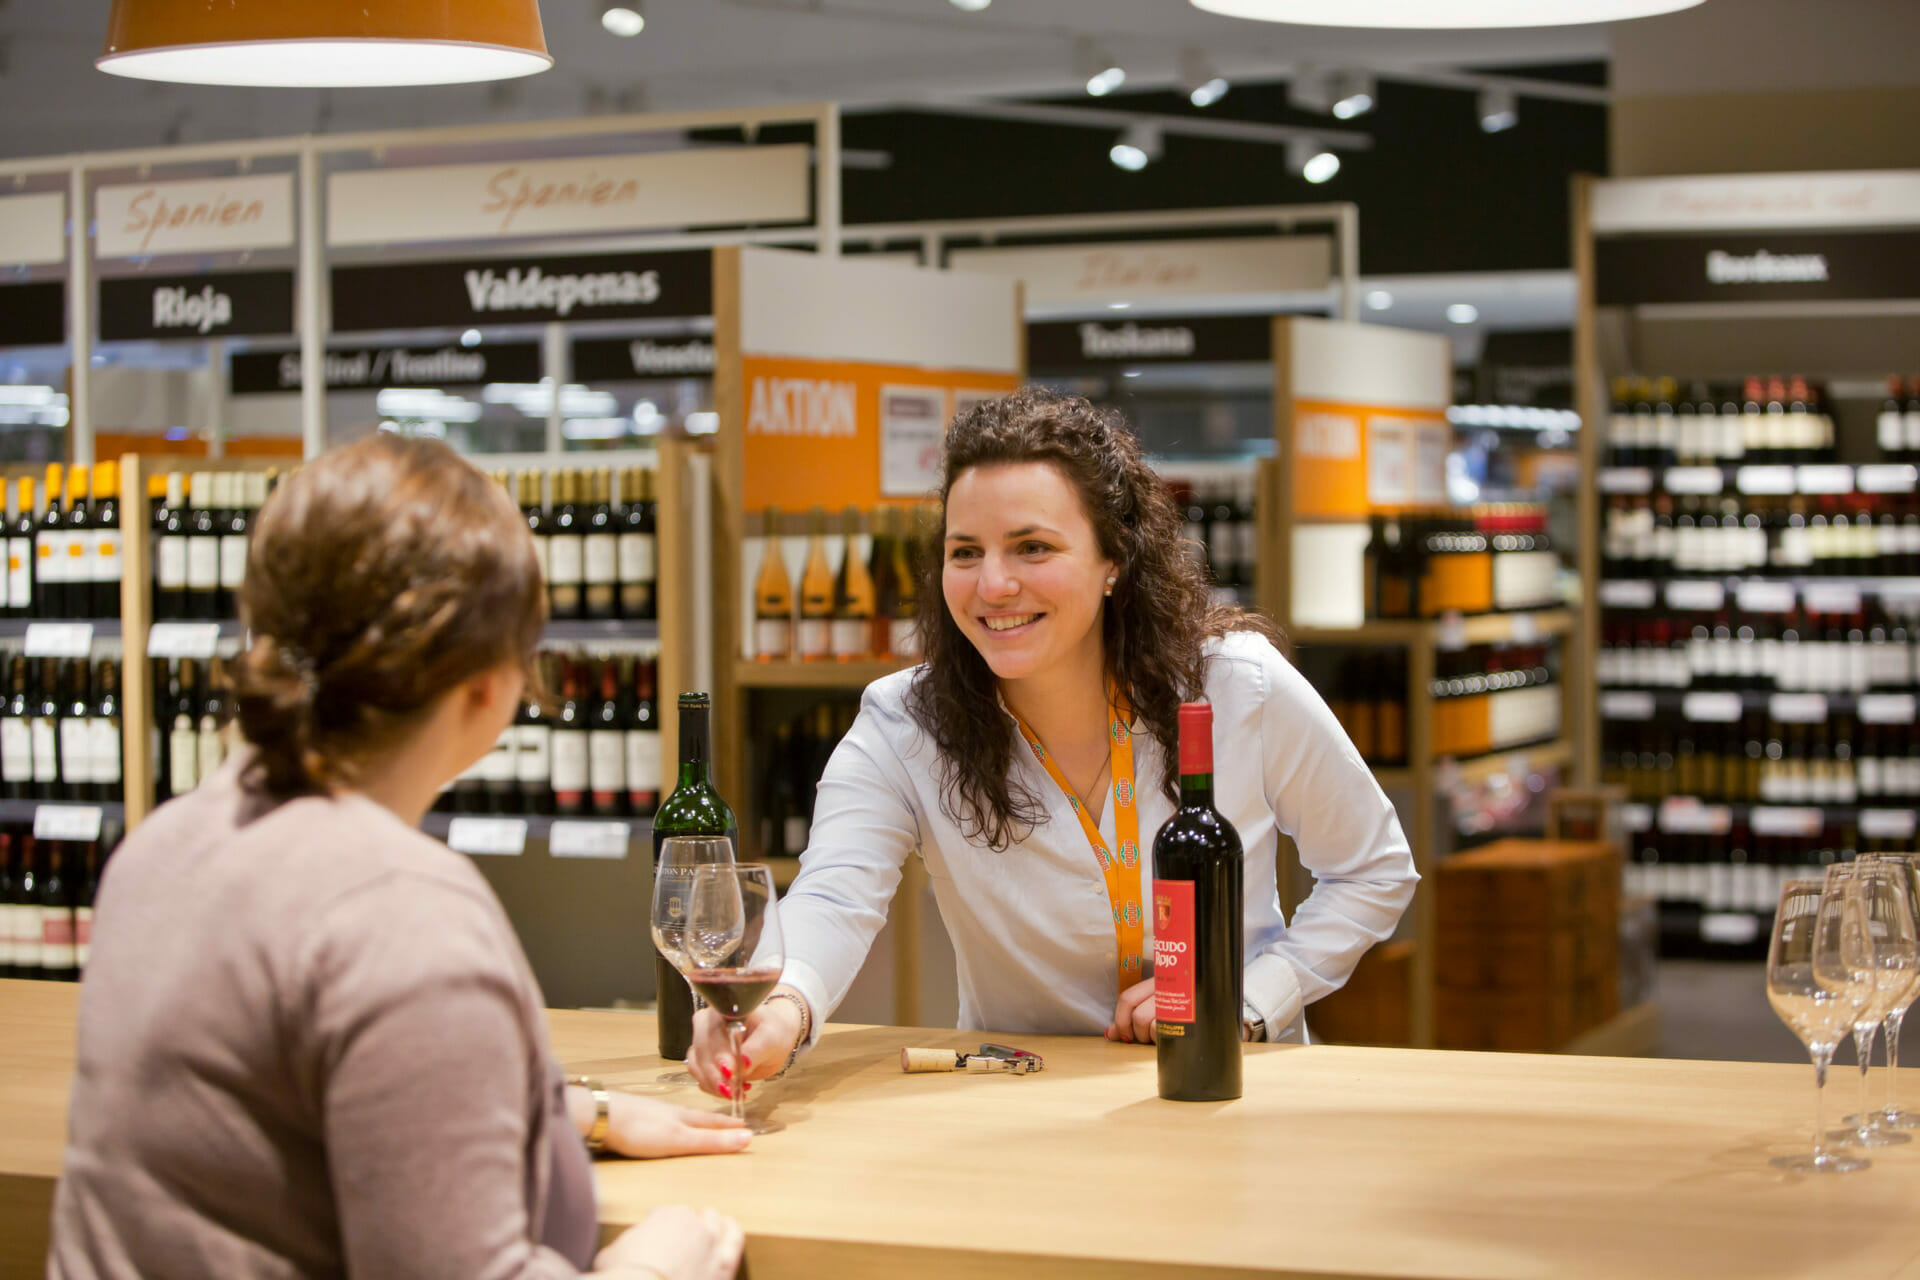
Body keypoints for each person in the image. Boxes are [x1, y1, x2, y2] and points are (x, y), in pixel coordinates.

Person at [50, 435, 745, 1280]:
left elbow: (279, 1103)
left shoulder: (160, 848)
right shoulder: (404, 917)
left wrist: (576, 1112)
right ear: (491, 682)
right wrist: (659, 1267)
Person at [689, 387, 1417, 1097]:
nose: (994, 584)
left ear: (1114, 561)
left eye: (1032, 547)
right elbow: (835, 894)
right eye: (965, 552)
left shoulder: (1235, 687)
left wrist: (1254, 996)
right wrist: (779, 1007)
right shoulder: (904, 722)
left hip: (1235, 1084)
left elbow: (1373, 869)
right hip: (1019, 1097)